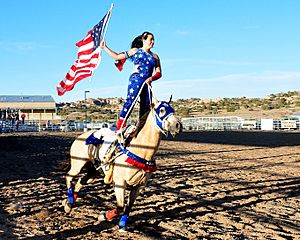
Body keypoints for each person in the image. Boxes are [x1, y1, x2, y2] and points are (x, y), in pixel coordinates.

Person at [100, 31, 162, 140]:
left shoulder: (155, 57)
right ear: (144, 40)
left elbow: (159, 73)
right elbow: (118, 56)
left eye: (153, 39)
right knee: (131, 101)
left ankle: (141, 129)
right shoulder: (135, 51)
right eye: (150, 39)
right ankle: (120, 128)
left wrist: (151, 78)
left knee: (146, 106)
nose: (152, 41)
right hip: (136, 79)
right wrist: (105, 47)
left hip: (147, 83)